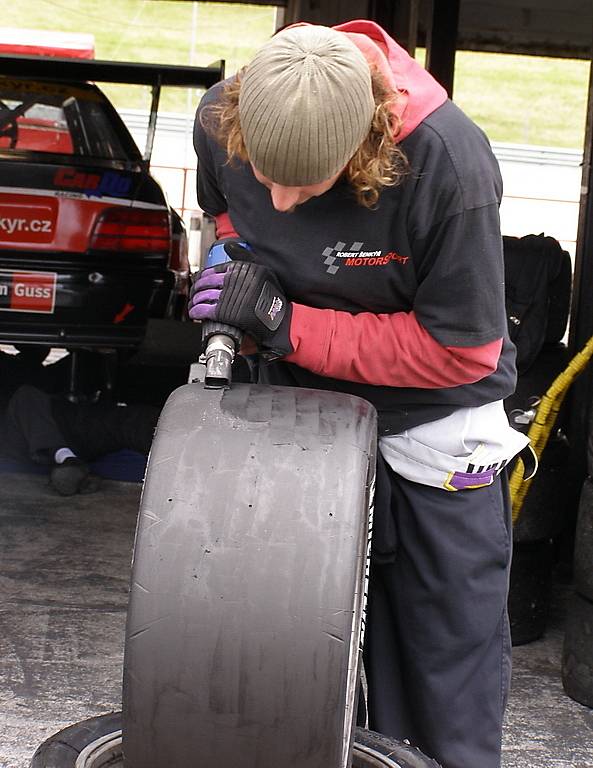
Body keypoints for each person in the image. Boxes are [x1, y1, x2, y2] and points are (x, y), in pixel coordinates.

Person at [189, 21, 530, 768]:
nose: (279, 202)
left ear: (365, 150)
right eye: (264, 175)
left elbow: (458, 348)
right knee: (279, 656)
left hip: (430, 429)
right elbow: (230, 220)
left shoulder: (446, 163)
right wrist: (235, 273)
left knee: (438, 680)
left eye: (305, 185)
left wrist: (286, 323)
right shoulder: (218, 117)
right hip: (293, 406)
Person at [1, 384, 159, 495]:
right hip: (48, 434)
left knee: (124, 422)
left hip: (55, 429)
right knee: (127, 421)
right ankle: (67, 459)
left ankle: (68, 460)